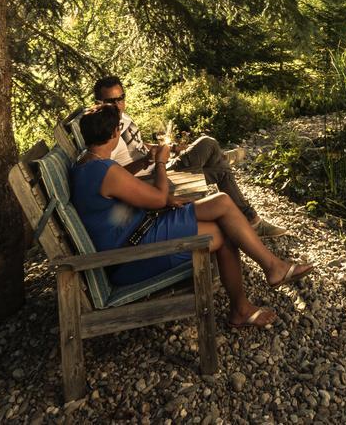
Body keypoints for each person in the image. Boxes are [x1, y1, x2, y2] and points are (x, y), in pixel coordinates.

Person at [69, 104, 314, 328]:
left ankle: (268, 274)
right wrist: (162, 164)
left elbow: (124, 194)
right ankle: (261, 283)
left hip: (141, 230)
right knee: (225, 229)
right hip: (133, 254)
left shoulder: (86, 162)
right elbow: (158, 197)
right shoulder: (104, 170)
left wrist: (161, 195)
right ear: (114, 133)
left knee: (222, 204)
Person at [89, 75, 287, 237]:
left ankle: (222, 162)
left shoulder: (123, 118)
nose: (117, 105)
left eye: (120, 98)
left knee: (212, 154)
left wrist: (171, 148)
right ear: (99, 102)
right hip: (154, 179)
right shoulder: (105, 130)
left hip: (159, 166)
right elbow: (113, 174)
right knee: (215, 158)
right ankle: (251, 218)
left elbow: (137, 144)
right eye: (110, 101)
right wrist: (150, 161)